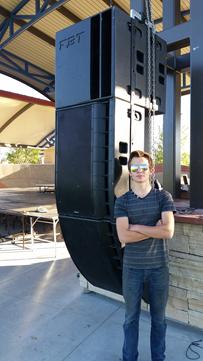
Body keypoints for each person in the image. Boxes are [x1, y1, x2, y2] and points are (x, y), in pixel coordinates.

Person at [114, 150, 175, 361]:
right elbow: (123, 235)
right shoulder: (122, 201)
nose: (139, 171)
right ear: (130, 172)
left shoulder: (163, 197)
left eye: (143, 167)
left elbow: (168, 232)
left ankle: (158, 358)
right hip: (132, 269)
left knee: (159, 320)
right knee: (131, 319)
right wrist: (152, 228)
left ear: (151, 170)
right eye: (135, 168)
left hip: (159, 267)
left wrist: (137, 227)